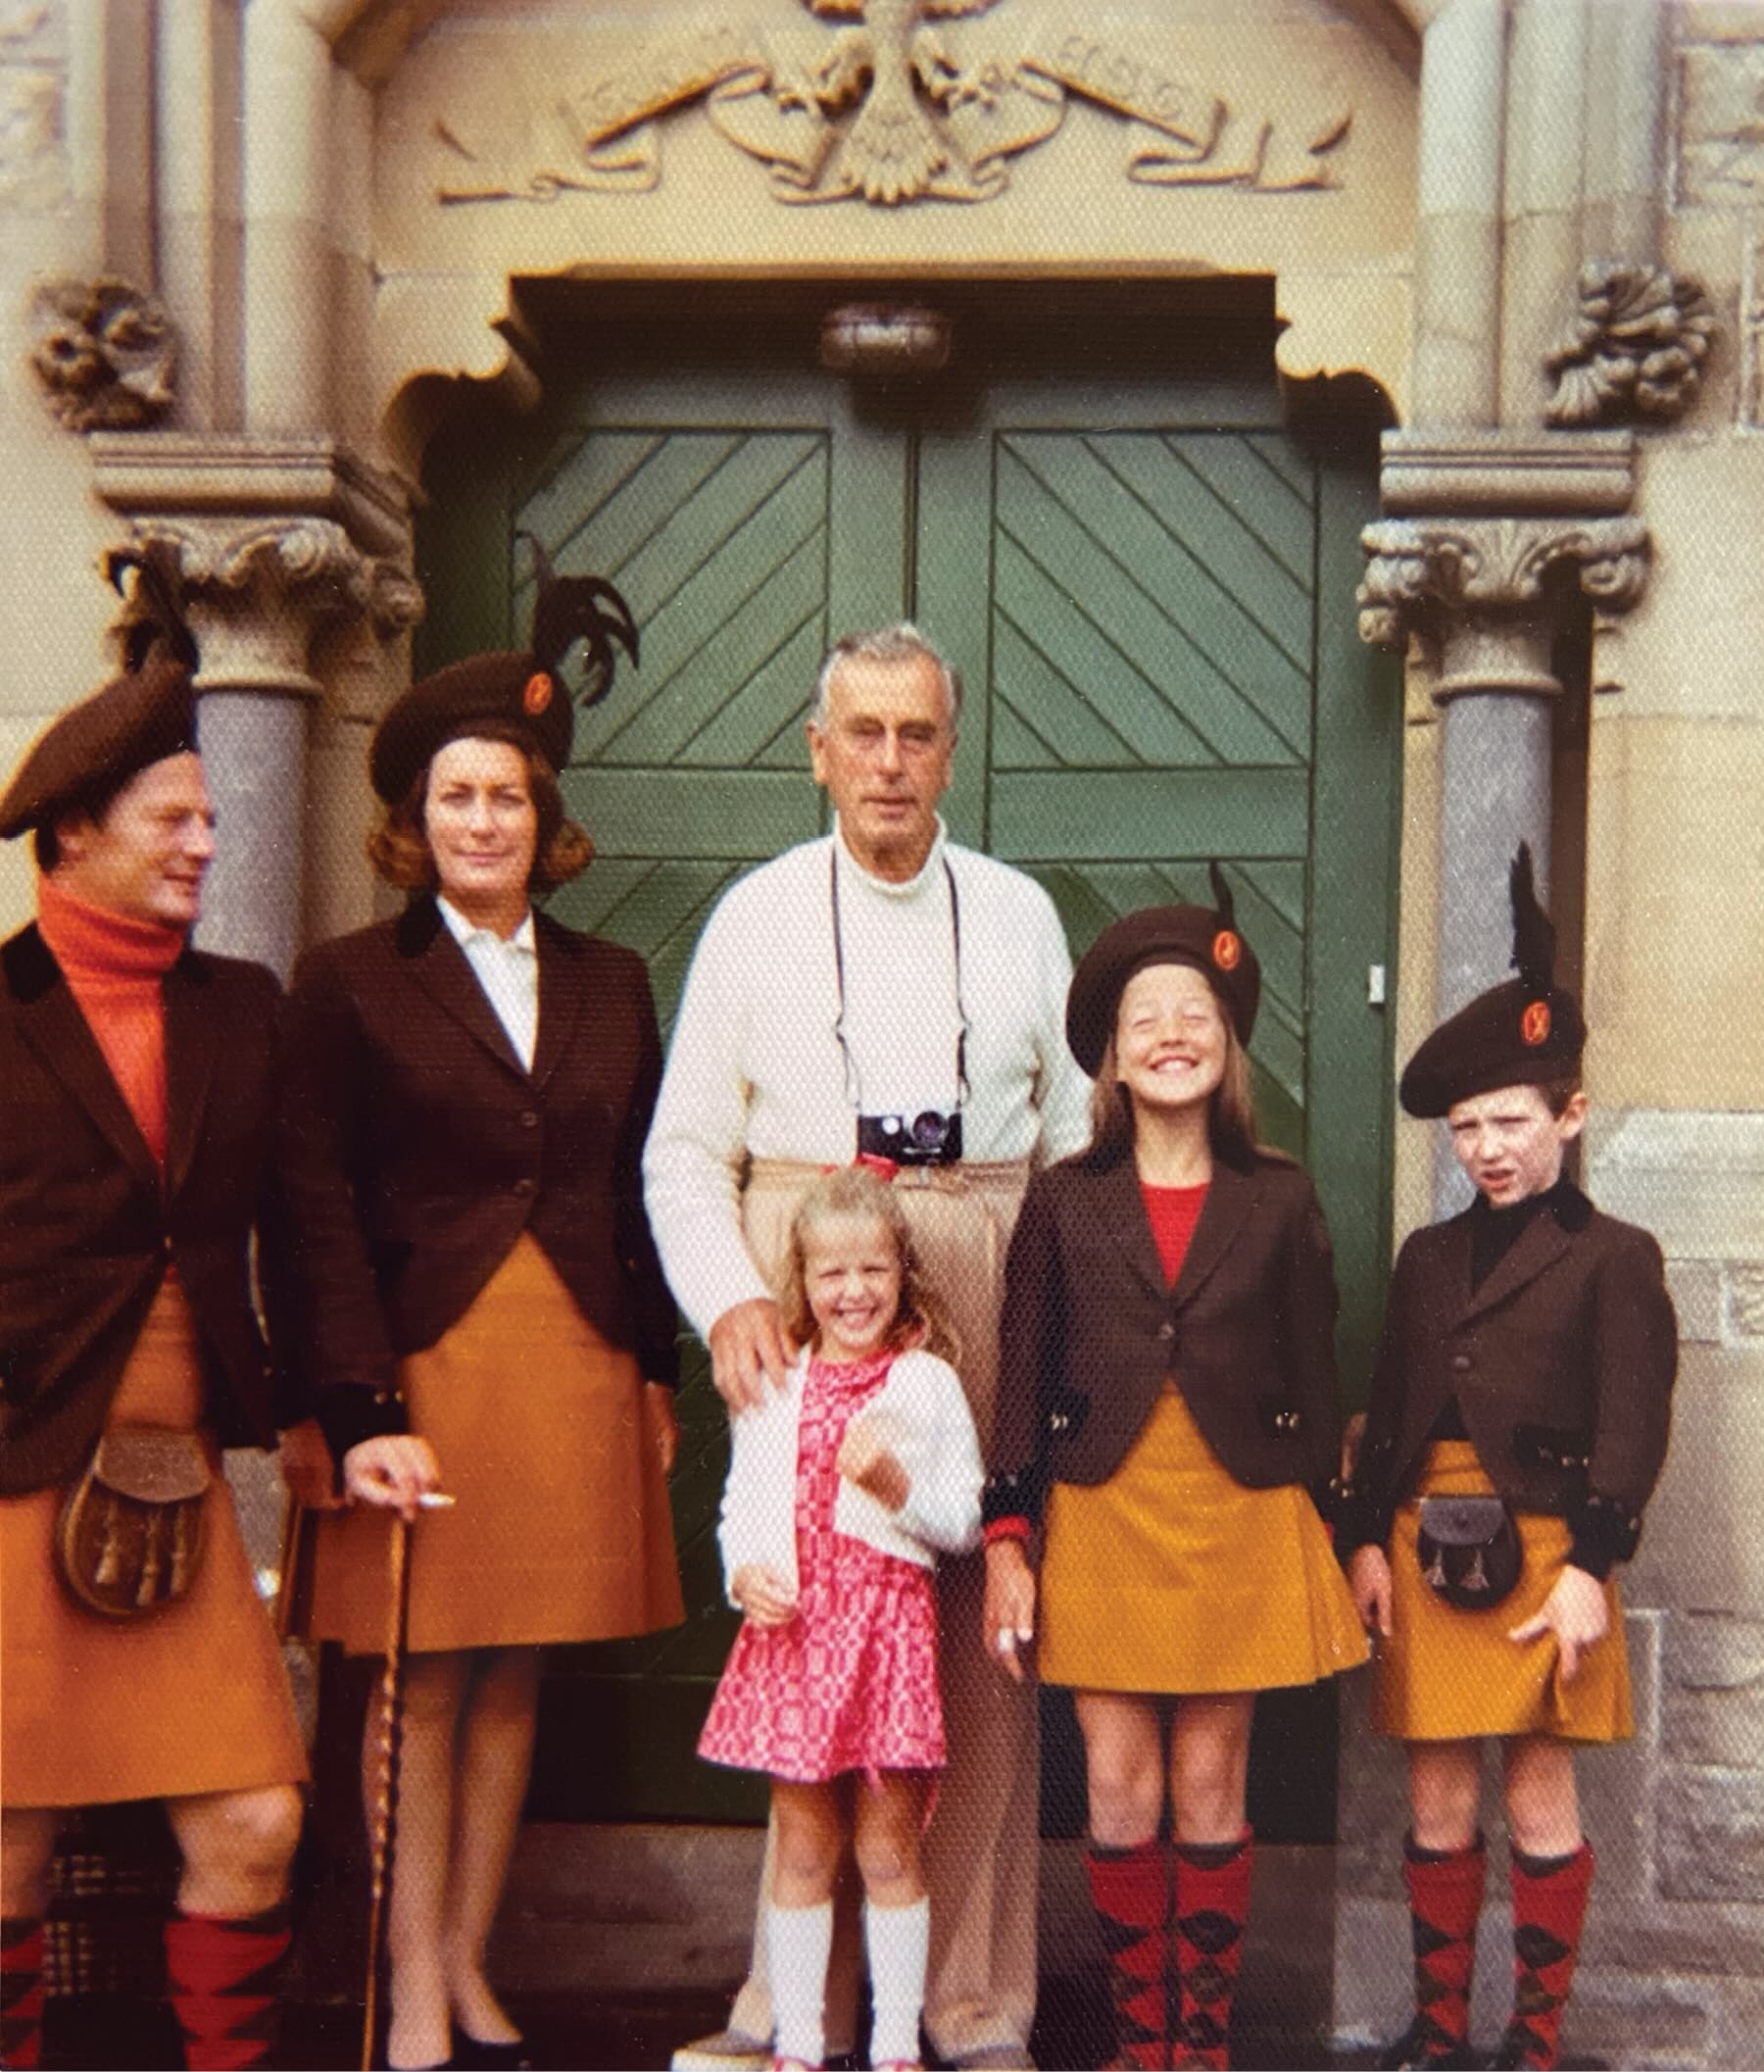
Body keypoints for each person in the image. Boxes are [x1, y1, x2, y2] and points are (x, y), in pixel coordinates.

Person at [646, 621, 1091, 2072]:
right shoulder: (757, 913)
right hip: (813, 1266)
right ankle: (787, 2013)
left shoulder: (1020, 910)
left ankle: (967, 2007)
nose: (890, 761)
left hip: (981, 1245)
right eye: (865, 733)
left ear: (949, 751)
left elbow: (1078, 1137)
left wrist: (1058, 1324)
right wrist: (727, 1297)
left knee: (970, 1665)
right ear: (818, 749)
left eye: (917, 734)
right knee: (806, 1648)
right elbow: (684, 1150)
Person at [277, 557, 683, 2072]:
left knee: (521, 1666)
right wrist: (349, 1398)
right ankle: (405, 1992)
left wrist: (657, 1370)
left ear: (545, 813)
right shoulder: (346, 985)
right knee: (419, 1671)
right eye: (456, 795)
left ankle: (468, 1959)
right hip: (427, 1360)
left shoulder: (614, 979)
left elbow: (643, 1189)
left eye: (508, 794)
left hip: (573, 1352)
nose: (484, 820)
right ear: (413, 816)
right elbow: (310, 1204)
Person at [0, 575, 327, 2072]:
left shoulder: (242, 1006)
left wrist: (347, 1411)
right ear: (75, 833)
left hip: (179, 1484)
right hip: (13, 1475)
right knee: (5, 1841)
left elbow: (307, 1227)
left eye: (211, 816)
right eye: (173, 820)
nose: (209, 841)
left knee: (257, 1817)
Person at [983, 883, 1368, 2072]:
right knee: (1116, 1782)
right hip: (1102, 1507)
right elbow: (1021, 1364)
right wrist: (1008, 1533)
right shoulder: (1063, 1196)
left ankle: (1204, 2043)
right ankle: (1141, 2041)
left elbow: (1319, 1363)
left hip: (1240, 1507)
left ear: (1227, 1042)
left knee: (1212, 1779)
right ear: (1110, 1052)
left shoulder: (1281, 1195)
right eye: (1146, 1015)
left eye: (1195, 1011)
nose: (1171, 1033)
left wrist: (1347, 1533)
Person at [1338, 848, 1677, 2072]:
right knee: (1437, 1799)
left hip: (1545, 1556)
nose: (1487, 1147)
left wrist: (1593, 1562)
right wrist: (1365, 1538)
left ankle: (1532, 2045)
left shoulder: (1614, 1255)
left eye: (1513, 1121)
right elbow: (1387, 1408)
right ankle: (1440, 2038)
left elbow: (1635, 1425)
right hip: (1428, 1546)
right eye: (1468, 1126)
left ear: (1571, 1113)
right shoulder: (1428, 1256)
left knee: (1539, 1793)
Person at [699, 1165, 985, 2072]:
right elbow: (743, 1501)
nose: (853, 1292)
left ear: (902, 1274)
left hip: (888, 1638)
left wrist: (897, 1489)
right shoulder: (780, 1383)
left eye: (873, 1271)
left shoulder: (927, 1383)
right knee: (803, 1849)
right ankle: (799, 2045)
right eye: (832, 1274)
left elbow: (965, 1519)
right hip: (795, 1638)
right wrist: (744, 1572)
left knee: (889, 1849)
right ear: (804, 1281)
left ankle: (896, 2044)